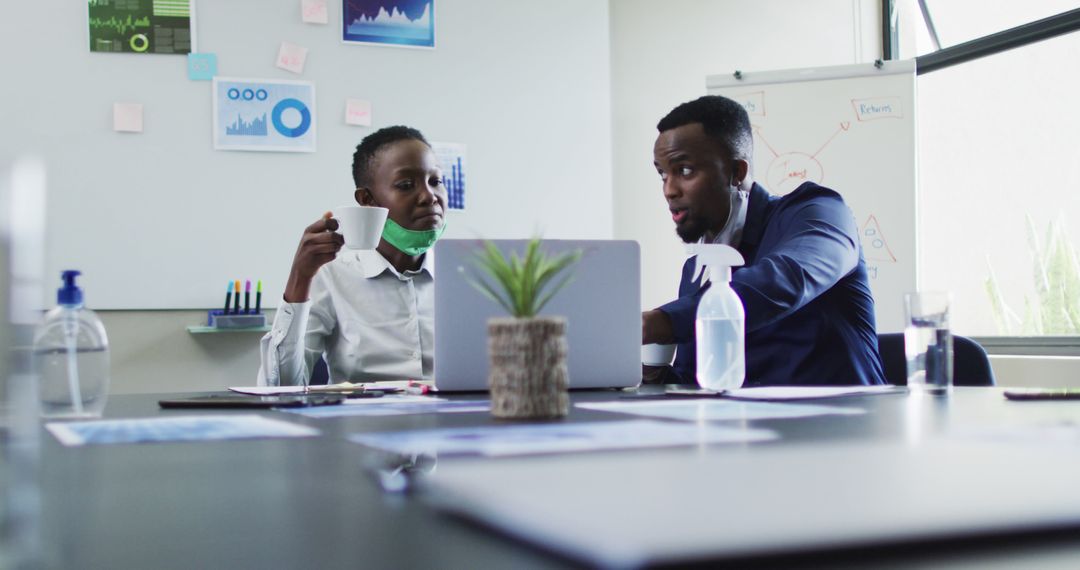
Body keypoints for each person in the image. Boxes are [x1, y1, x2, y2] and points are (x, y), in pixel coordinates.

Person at [641, 95, 886, 386]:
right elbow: (696, 377)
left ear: (736, 172)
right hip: (746, 427)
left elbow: (788, 279)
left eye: (684, 170)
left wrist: (660, 322)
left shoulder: (820, 212)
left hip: (841, 427)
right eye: (662, 174)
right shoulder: (697, 269)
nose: (669, 190)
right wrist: (648, 370)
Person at [258, 126, 447, 386]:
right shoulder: (332, 273)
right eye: (406, 185)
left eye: (436, 181)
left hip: (455, 422)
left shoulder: (466, 273)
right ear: (368, 200)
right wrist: (300, 278)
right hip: (365, 423)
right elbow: (279, 388)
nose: (429, 196)